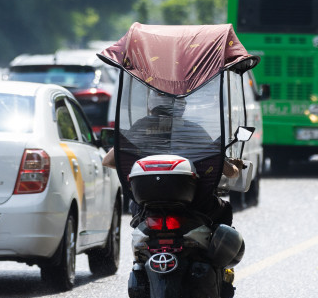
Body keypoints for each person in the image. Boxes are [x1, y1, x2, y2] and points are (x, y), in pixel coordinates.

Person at [102, 89, 245, 226]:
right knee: (224, 211)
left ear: (151, 104)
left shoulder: (138, 129)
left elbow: (107, 161)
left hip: (146, 206)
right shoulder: (194, 131)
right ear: (181, 106)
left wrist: (137, 167)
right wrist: (236, 168)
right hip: (192, 206)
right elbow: (229, 172)